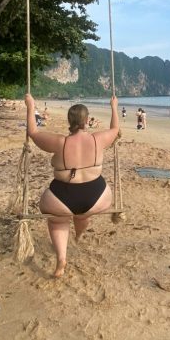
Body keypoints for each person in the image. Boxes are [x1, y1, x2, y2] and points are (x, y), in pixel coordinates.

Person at [24, 93, 119, 278]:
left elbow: (33, 132)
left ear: (70, 120)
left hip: (61, 198)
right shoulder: (98, 139)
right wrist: (114, 106)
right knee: (83, 214)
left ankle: (61, 259)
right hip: (96, 197)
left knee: (58, 220)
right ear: (87, 121)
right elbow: (115, 129)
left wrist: (30, 106)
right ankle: (78, 235)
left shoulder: (60, 142)